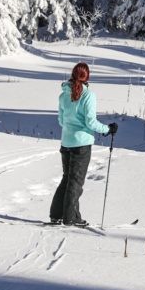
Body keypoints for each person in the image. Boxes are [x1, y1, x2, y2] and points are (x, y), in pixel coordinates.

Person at [49, 62, 118, 227]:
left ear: (73, 74)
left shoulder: (63, 95)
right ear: (87, 77)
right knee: (75, 182)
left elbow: (60, 120)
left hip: (66, 143)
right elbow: (90, 122)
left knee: (67, 179)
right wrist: (107, 129)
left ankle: (57, 215)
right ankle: (70, 217)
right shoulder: (88, 95)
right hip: (81, 144)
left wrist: (71, 128)